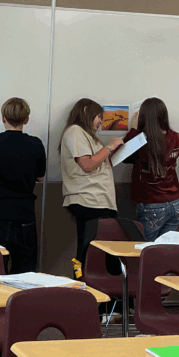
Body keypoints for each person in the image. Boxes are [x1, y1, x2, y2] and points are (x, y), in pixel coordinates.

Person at [0, 97, 46, 273]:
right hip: (24, 213)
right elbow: (40, 177)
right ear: (26, 119)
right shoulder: (35, 144)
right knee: (25, 269)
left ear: (3, 118)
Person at [60, 98, 124, 272]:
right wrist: (109, 147)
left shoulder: (86, 135)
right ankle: (82, 284)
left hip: (98, 200)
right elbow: (87, 164)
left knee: (95, 253)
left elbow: (94, 162)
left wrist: (110, 152)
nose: (100, 122)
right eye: (98, 117)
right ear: (86, 111)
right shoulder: (75, 131)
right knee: (88, 253)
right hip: (89, 201)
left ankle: (88, 283)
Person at [123, 97, 179, 240]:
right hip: (175, 204)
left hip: (151, 205)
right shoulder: (176, 137)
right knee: (164, 249)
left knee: (145, 249)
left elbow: (124, 156)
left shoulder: (141, 140)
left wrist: (133, 129)